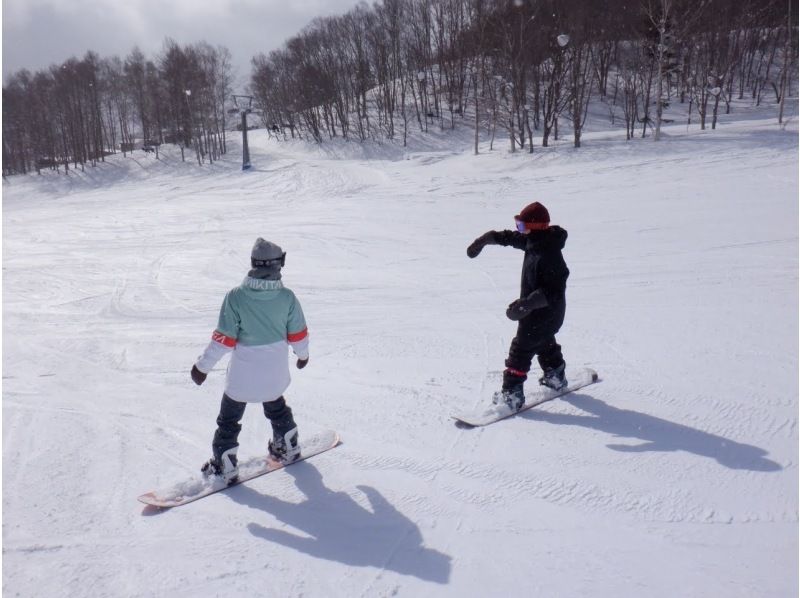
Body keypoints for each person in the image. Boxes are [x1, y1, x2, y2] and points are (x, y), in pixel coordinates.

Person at [190, 238, 310, 483]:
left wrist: (202, 367)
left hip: (242, 379)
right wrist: (302, 355)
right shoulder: (287, 298)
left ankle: (225, 464)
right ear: (277, 265)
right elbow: (298, 334)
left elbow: (223, 339)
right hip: (275, 375)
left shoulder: (236, 297)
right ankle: (288, 443)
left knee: (229, 420)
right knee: (276, 406)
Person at [466, 201, 569, 411]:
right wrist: (485, 239)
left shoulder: (549, 254)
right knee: (544, 342)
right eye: (518, 225)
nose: (519, 231)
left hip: (544, 311)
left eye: (522, 226)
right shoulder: (536, 241)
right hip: (544, 315)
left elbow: (554, 291)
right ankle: (555, 375)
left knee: (520, 350)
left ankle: (511, 396)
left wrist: (526, 304)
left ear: (537, 226)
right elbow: (511, 238)